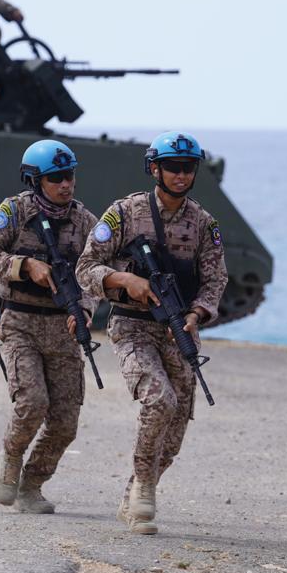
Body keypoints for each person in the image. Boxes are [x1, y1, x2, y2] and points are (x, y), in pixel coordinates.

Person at [75, 131, 228, 535]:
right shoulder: (125, 214)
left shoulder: (203, 223)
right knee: (159, 400)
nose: (181, 175)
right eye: (173, 167)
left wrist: (197, 312)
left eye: (188, 168)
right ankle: (144, 488)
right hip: (132, 326)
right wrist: (124, 280)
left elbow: (215, 280)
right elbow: (85, 267)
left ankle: (134, 493)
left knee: (174, 433)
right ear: (154, 169)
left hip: (178, 330)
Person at [0, 140, 97, 513]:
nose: (65, 184)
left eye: (69, 176)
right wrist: (24, 266)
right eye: (56, 178)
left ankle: (32, 485)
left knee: (65, 422)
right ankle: (11, 456)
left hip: (63, 329)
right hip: (20, 323)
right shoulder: (14, 211)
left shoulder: (85, 222)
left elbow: (94, 273)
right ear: (35, 180)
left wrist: (85, 309)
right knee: (32, 402)